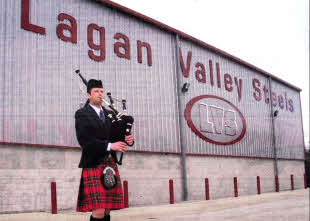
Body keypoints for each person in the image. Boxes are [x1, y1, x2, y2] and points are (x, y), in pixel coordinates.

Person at [75, 79, 134, 221]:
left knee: (107, 210)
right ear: (88, 95)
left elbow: (118, 136)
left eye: (101, 91)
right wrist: (109, 146)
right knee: (99, 211)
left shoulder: (111, 115)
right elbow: (85, 141)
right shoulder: (82, 114)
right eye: (96, 91)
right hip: (94, 163)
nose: (100, 94)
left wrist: (128, 140)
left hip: (110, 163)